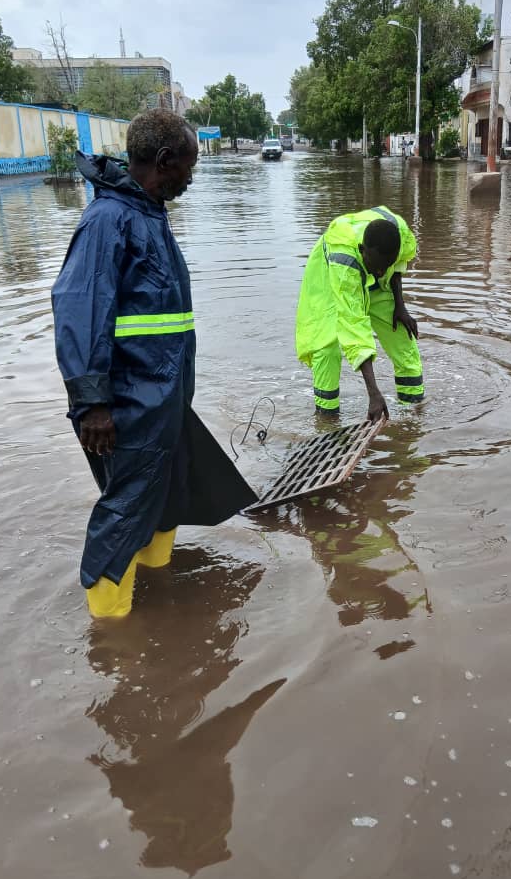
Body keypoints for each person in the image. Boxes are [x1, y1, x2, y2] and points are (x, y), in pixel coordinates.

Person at [52, 109, 255, 620]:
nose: (193, 175)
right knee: (126, 508)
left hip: (163, 396)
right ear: (165, 161)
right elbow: (79, 307)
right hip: (129, 402)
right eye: (190, 164)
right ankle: (112, 635)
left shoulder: (147, 214)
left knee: (168, 490)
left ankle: (161, 598)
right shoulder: (109, 220)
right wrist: (92, 403)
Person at [295, 206, 424, 420]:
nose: (382, 271)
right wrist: (373, 393)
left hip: (375, 282)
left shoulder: (399, 232)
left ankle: (413, 418)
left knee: (404, 340)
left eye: (387, 265)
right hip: (331, 277)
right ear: (363, 249)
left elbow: (397, 264)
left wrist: (400, 306)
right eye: (379, 266)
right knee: (326, 349)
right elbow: (354, 325)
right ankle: (328, 423)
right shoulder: (343, 262)